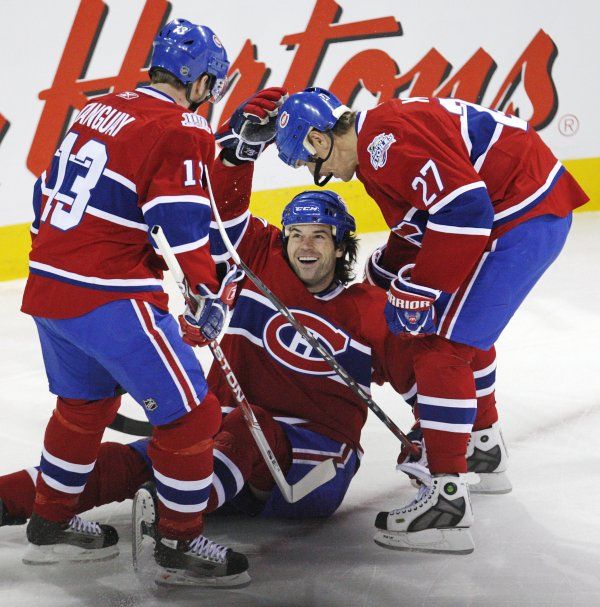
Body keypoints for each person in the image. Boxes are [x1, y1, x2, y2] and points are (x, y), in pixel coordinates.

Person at [0, 173, 448, 563]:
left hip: (312, 466)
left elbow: (426, 388)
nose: (304, 245)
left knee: (248, 427)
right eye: (295, 233)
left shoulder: (370, 311)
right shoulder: (260, 264)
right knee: (134, 460)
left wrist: (430, 441)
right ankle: (14, 499)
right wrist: (238, 153)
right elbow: (221, 207)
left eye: (319, 235)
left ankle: (175, 519)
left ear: (340, 244)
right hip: (223, 439)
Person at [17, 18, 289, 587]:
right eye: (211, 83)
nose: (211, 95)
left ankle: (50, 521)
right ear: (197, 79)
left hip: (48, 287)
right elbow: (182, 222)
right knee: (194, 415)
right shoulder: (181, 125)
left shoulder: (98, 108)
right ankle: (180, 544)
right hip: (110, 297)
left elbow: (43, 189)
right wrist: (208, 292)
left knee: (82, 408)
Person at [274, 88, 589, 552]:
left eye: (308, 163)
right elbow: (424, 216)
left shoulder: (387, 141)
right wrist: (389, 266)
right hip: (521, 209)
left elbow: (465, 210)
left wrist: (422, 288)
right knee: (463, 332)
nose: (317, 174)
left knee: (441, 346)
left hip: (519, 215)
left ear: (319, 142)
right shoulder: (377, 148)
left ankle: (447, 504)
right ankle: (482, 448)